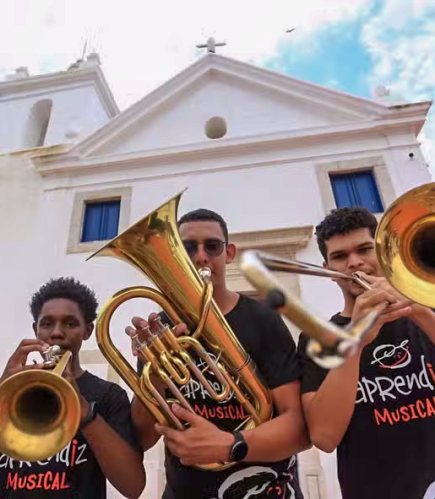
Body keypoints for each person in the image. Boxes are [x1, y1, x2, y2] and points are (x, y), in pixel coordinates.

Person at [127, 209, 309, 499]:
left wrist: (229, 443)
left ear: (229, 253)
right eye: (188, 248)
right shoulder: (159, 334)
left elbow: (299, 427)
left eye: (212, 246)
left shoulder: (264, 320)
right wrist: (156, 378)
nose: (201, 257)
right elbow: (144, 439)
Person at [0, 277, 146, 499]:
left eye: (70, 323)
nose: (57, 333)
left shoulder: (108, 395)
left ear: (87, 330)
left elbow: (132, 487)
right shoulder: (4, 396)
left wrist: (84, 411)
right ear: (36, 329)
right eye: (47, 324)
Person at [297, 206, 435, 499]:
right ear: (327, 270)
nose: (355, 263)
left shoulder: (428, 308)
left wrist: (420, 310)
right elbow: (323, 437)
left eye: (364, 249)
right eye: (340, 257)